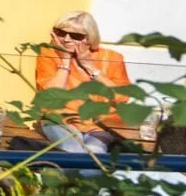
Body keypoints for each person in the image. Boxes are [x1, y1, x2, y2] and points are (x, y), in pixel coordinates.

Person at [34, 11, 133, 153]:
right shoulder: (48, 55)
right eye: (61, 33)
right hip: (60, 121)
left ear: (90, 38)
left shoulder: (112, 58)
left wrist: (90, 67)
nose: (66, 39)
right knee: (73, 149)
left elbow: (122, 98)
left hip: (99, 125)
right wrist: (65, 61)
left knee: (96, 152)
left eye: (75, 36)